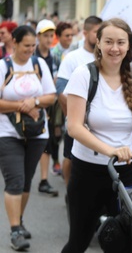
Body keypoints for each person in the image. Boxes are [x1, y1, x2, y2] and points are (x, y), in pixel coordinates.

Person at [61, 18, 132, 253]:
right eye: (108, 41)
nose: (115, 48)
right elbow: (74, 127)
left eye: (121, 42)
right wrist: (109, 150)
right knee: (78, 242)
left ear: (129, 46)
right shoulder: (84, 75)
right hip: (87, 171)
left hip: (126, 172)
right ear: (98, 43)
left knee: (127, 243)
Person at [0, 25, 56, 251]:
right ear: (14, 42)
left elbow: (50, 97)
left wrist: (33, 102)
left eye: (33, 46)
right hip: (7, 133)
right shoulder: (3, 66)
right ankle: (15, 231)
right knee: (14, 180)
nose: (30, 50)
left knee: (26, 181)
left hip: (37, 133)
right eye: (26, 46)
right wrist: (21, 106)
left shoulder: (39, 64)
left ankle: (19, 220)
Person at [56, 15, 102, 186]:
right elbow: (61, 90)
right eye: (96, 32)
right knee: (70, 156)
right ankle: (70, 190)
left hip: (99, 121)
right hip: (77, 121)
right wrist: (76, 115)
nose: (99, 36)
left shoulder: (106, 57)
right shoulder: (72, 58)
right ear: (85, 32)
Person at [34, 19, 60, 197]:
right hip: (29, 104)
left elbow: (57, 79)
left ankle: (43, 179)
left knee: (47, 141)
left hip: (49, 104)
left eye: (51, 35)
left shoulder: (55, 57)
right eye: (45, 35)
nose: (49, 39)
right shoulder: (31, 55)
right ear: (38, 36)